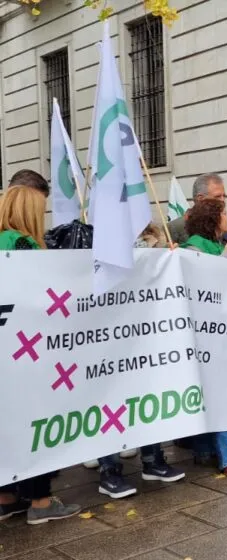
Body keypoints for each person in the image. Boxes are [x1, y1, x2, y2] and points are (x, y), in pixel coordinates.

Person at [0, 177, 82, 524]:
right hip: (28, 355)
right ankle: (41, 503)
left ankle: (6, 498)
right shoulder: (24, 248)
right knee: (35, 423)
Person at [182, 198, 227, 477]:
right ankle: (226, 455)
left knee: (210, 390)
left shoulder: (219, 242)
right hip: (202, 333)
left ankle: (203, 449)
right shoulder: (194, 245)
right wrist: (225, 258)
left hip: (220, 329)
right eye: (223, 213)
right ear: (212, 218)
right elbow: (201, 281)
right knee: (215, 391)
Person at [167, 173, 227, 245]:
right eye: (217, 196)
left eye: (224, 196)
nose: (223, 200)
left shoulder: (224, 224)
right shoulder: (175, 227)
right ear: (201, 199)